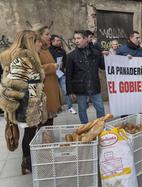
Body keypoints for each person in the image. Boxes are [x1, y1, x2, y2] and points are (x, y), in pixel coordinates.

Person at [0, 30, 47, 174]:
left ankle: (28, 162)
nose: (41, 44)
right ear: (31, 42)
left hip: (30, 104)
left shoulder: (27, 57)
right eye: (38, 41)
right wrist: (11, 110)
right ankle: (27, 163)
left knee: (31, 133)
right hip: (27, 106)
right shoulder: (23, 58)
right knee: (30, 135)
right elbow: (14, 85)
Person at [66, 30, 105, 124]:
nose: (76, 41)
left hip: (94, 86)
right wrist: (70, 91)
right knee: (82, 109)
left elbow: (103, 66)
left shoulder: (95, 53)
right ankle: (85, 127)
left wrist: (106, 57)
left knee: (100, 108)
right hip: (80, 87)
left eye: (78, 38)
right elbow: (68, 75)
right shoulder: (71, 56)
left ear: (86, 39)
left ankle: (101, 126)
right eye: (75, 39)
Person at [33, 24, 62, 125]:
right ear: (39, 36)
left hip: (50, 93)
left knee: (49, 124)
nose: (50, 36)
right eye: (47, 34)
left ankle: (47, 140)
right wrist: (52, 66)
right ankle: (45, 140)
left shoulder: (46, 49)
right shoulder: (36, 50)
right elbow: (35, 69)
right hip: (44, 95)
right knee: (44, 126)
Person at [49, 34, 77, 114]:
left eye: (59, 40)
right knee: (54, 92)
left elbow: (65, 62)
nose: (59, 42)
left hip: (61, 73)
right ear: (52, 41)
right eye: (57, 40)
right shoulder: (47, 51)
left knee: (65, 90)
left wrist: (63, 66)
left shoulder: (62, 50)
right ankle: (57, 107)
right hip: (52, 74)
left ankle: (70, 107)